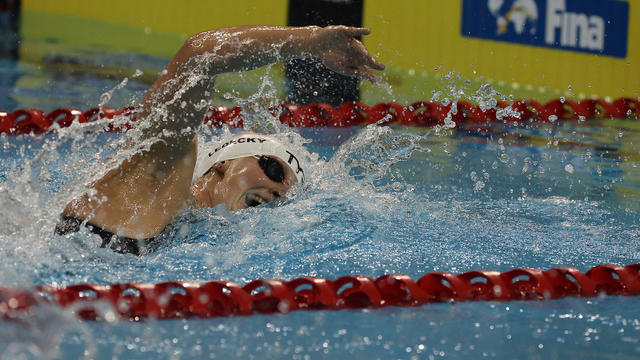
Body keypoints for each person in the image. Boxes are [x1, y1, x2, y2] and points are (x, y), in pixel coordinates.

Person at [55, 25, 385, 255]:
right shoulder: (161, 173)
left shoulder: (196, 235)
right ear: (223, 165)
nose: (279, 189)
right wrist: (311, 41)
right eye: (272, 168)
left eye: (289, 191)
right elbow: (199, 55)